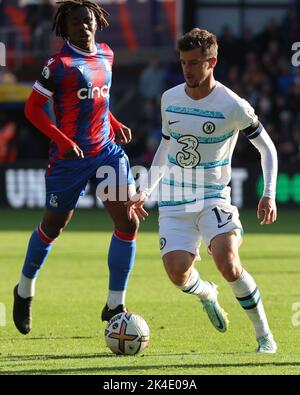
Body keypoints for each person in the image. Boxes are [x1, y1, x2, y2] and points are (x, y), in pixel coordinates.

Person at [127, 28, 278, 353]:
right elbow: (166, 148)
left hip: (213, 197)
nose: (188, 70)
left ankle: (264, 336)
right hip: (174, 201)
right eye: (183, 63)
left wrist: (269, 193)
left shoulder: (232, 105)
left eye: (195, 63)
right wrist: (145, 190)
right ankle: (206, 293)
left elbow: (267, 149)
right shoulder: (170, 98)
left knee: (228, 262)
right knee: (177, 273)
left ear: (213, 62)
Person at [13, 0, 139, 335]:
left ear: (98, 21)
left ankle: (115, 302)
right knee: (53, 227)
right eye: (75, 22)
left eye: (87, 20)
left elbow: (99, 98)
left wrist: (113, 121)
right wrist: (62, 140)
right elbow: (33, 109)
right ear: (64, 28)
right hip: (69, 160)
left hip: (106, 152)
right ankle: (24, 289)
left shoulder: (108, 55)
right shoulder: (58, 64)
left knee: (128, 222)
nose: (82, 26)